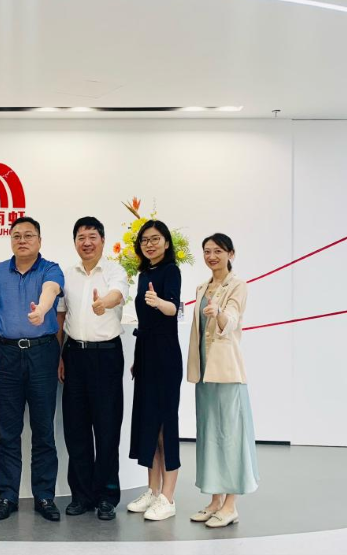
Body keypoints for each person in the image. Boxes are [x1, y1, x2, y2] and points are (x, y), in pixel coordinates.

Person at [0, 216, 65, 522]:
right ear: (10, 240)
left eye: (29, 235)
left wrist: (41, 309)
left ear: (39, 241)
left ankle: (44, 496)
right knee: (8, 430)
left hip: (43, 353)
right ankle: (7, 495)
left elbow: (51, 291)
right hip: (7, 355)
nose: (23, 240)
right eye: (17, 235)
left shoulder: (50, 269)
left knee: (43, 430)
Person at [56, 216, 129, 521]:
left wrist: (104, 304)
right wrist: (60, 355)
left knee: (107, 429)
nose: (86, 243)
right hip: (74, 355)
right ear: (75, 242)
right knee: (76, 429)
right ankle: (82, 495)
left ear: (102, 240)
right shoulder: (66, 275)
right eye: (81, 237)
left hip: (106, 356)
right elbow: (61, 317)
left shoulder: (114, 270)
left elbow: (117, 294)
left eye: (92, 237)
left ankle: (107, 496)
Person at [187, 233, 259, 529]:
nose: (211, 256)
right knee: (209, 434)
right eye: (207, 251)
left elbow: (232, 319)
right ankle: (215, 501)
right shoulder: (202, 287)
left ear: (231, 253)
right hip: (204, 371)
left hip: (227, 371)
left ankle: (231, 505)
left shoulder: (237, 285)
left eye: (218, 251)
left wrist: (218, 313)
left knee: (230, 436)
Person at [126, 219, 183, 522]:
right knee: (148, 423)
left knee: (165, 425)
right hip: (146, 354)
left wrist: (159, 301)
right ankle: (152, 490)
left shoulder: (171, 271)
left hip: (166, 356)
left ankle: (168, 497)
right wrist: (138, 358)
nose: (149, 244)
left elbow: (173, 308)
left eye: (155, 239)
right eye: (145, 240)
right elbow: (143, 323)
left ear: (166, 242)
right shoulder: (144, 274)